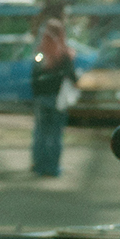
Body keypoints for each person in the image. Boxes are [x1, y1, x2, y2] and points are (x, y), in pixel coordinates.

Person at [29, 15, 76, 178]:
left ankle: (39, 165)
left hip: (42, 98)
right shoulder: (65, 53)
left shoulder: (40, 52)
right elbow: (72, 76)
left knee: (41, 133)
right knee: (56, 135)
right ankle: (53, 167)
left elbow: (34, 76)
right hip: (58, 99)